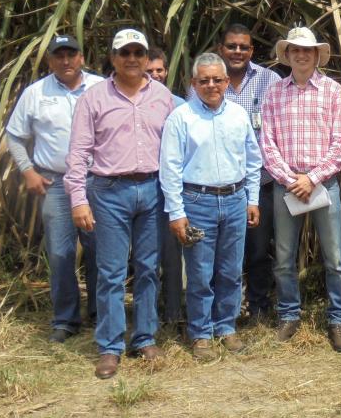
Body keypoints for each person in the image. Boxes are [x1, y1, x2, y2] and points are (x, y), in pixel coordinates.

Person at [65, 29, 175, 379]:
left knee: (147, 268)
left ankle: (144, 338)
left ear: (147, 58)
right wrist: (78, 199)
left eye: (138, 53)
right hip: (110, 192)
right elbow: (79, 152)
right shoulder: (94, 98)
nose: (132, 59)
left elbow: (175, 148)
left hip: (153, 189)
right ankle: (110, 347)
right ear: (113, 58)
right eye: (124, 53)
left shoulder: (162, 96)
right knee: (111, 273)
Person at [160, 53, 262, 361]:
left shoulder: (238, 115)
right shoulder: (181, 117)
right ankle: (201, 333)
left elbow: (253, 160)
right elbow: (170, 168)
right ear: (194, 84)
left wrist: (253, 199)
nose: (211, 85)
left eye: (217, 79)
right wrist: (176, 212)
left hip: (234, 199)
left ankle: (226, 327)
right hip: (197, 202)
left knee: (230, 270)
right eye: (204, 80)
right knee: (200, 272)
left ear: (227, 82)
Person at [4, 35, 103, 343]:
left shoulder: (102, 88)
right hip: (56, 183)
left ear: (82, 57)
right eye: (58, 56)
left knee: (101, 251)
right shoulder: (36, 93)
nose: (65, 61)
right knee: (60, 253)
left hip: (97, 182)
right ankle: (66, 319)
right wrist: (28, 171)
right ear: (50, 61)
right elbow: (14, 136)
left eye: (71, 54)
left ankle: (101, 313)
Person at [260, 26, 341, 352]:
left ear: (316, 55)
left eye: (307, 50)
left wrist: (311, 178)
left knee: (335, 258)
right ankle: (289, 314)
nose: (301, 55)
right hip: (286, 185)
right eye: (295, 50)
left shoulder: (332, 91)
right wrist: (290, 179)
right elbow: (266, 143)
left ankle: (339, 320)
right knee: (284, 257)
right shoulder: (274, 93)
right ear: (287, 55)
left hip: (322, 182)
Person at [215, 23, 281, 323]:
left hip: (262, 183)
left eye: (243, 47)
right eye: (232, 46)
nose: (237, 52)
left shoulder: (270, 80)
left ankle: (258, 308)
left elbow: (285, 125)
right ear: (222, 49)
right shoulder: (210, 81)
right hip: (221, 186)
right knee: (224, 254)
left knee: (258, 250)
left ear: (252, 50)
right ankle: (223, 311)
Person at [146, 46, 186, 327]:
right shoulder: (131, 103)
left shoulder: (181, 105)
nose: (155, 75)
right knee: (147, 254)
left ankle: (174, 311)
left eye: (159, 69)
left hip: (174, 190)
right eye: (149, 71)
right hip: (145, 187)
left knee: (174, 254)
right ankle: (147, 314)